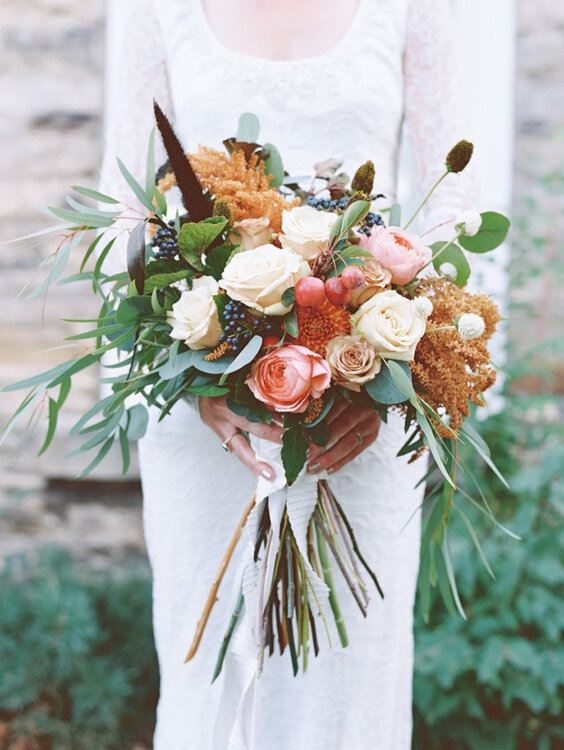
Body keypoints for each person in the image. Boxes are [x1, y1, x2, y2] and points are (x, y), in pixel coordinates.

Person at [100, 1, 474, 747]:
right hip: (206, 421)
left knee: (350, 681)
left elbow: (452, 211)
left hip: (362, 421)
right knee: (210, 668)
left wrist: (383, 375)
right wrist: (201, 376)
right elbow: (129, 215)